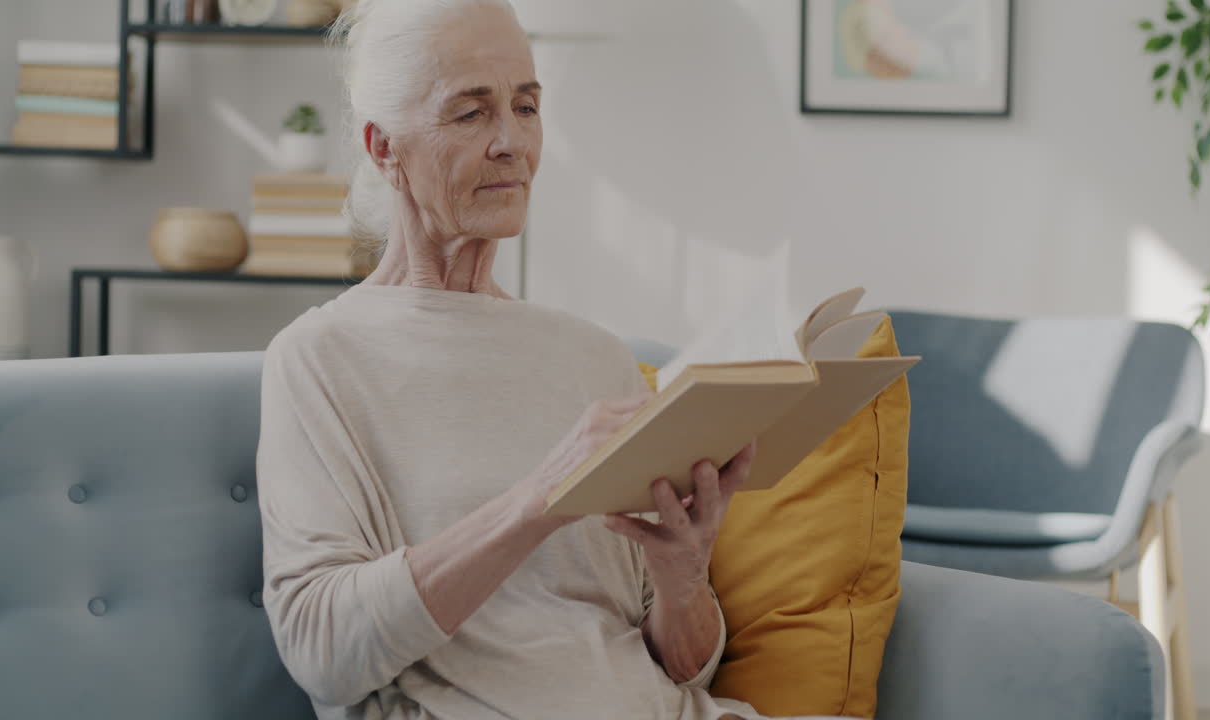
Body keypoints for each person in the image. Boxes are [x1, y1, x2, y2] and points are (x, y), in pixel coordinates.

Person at [256, 1, 809, 718]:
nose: (512, 143)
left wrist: (682, 576)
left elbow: (685, 671)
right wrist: (539, 499)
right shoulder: (320, 359)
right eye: (470, 114)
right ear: (383, 147)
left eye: (526, 106)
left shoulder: (592, 354)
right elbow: (322, 652)